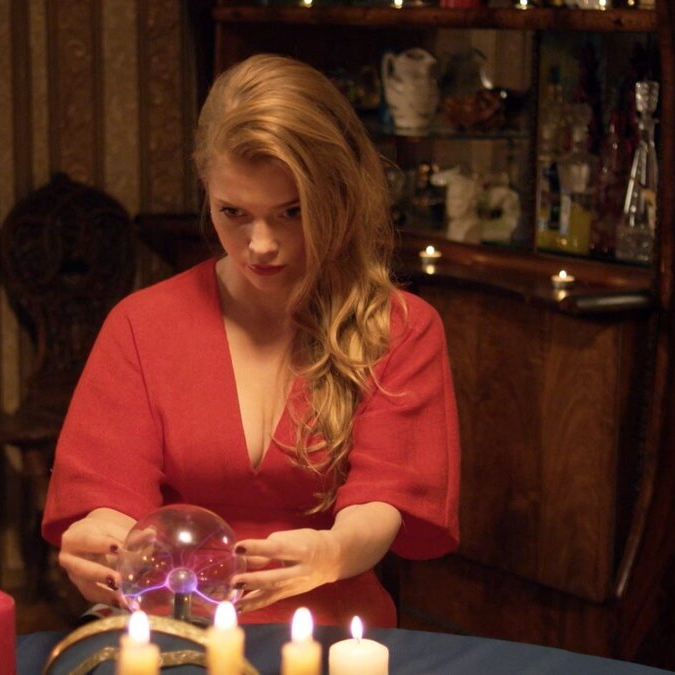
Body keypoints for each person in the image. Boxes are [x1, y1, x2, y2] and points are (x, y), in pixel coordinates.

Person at [41, 54, 460, 628]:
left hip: (331, 635)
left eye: (291, 212)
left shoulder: (399, 328)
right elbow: (110, 498)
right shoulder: (141, 326)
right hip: (176, 631)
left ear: (338, 197)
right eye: (233, 212)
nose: (260, 244)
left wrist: (333, 553)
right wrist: (103, 544)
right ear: (206, 191)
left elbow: (381, 503)